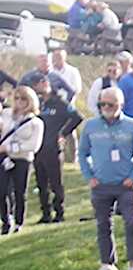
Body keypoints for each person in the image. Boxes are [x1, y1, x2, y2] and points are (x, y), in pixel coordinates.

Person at [80, 85, 133, 270]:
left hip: (125, 184)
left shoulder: (132, 125)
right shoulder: (91, 126)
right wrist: (89, 176)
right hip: (100, 184)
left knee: (132, 223)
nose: (106, 108)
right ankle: (107, 264)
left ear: (121, 104)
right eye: (102, 104)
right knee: (103, 224)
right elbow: (82, 153)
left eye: (111, 104)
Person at [23, 72, 74, 224]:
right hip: (38, 148)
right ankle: (46, 213)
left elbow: (76, 117)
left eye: (37, 84)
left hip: (53, 147)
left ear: (45, 83)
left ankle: (59, 212)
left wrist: (63, 133)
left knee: (55, 182)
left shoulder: (59, 102)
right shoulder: (38, 103)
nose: (36, 88)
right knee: (41, 182)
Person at [0, 85, 42, 235]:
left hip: (22, 159)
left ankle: (19, 221)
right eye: (16, 98)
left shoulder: (35, 122)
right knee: (2, 190)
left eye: (23, 99)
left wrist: (11, 147)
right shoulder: (6, 114)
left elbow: (33, 145)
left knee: (19, 191)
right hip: (4, 158)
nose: (19, 101)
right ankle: (6, 220)